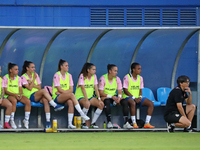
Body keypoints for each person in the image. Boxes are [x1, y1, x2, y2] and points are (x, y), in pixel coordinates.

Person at [21, 61, 65, 128]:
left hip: (37, 95)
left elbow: (39, 87)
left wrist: (31, 83)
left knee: (45, 100)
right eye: (32, 67)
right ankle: (54, 105)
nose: (34, 69)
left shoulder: (36, 75)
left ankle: (48, 122)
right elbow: (29, 88)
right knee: (44, 91)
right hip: (29, 96)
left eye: (34, 67)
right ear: (27, 68)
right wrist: (33, 80)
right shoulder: (23, 77)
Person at [52, 59, 90, 129]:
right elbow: (59, 89)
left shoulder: (69, 75)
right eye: (66, 66)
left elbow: (71, 89)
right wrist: (66, 92)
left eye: (68, 66)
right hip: (57, 96)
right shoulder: (56, 75)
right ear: (61, 67)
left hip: (64, 95)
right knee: (71, 95)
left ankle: (70, 124)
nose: (68, 67)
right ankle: (81, 113)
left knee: (70, 102)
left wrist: (63, 92)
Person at [99, 64, 133, 129]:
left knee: (125, 102)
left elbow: (120, 91)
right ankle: (109, 122)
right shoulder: (103, 78)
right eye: (115, 71)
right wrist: (112, 97)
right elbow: (101, 93)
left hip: (114, 97)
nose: (116, 72)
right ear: (110, 71)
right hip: (106, 97)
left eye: (117, 71)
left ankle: (126, 122)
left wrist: (119, 97)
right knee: (107, 101)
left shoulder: (117, 79)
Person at [123, 62, 155, 128]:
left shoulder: (140, 78)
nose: (140, 70)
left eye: (140, 69)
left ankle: (147, 123)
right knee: (133, 103)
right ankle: (134, 123)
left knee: (151, 103)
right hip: (128, 97)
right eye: (138, 69)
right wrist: (134, 98)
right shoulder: (127, 77)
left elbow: (140, 90)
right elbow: (125, 90)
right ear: (133, 70)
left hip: (137, 97)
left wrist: (140, 97)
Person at [75, 63, 104, 129]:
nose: (95, 71)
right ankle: (83, 123)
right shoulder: (82, 76)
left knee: (101, 104)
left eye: (95, 69)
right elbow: (83, 88)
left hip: (90, 97)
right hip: (80, 96)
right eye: (93, 69)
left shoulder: (94, 76)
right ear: (88, 70)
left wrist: (99, 99)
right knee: (86, 104)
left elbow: (96, 88)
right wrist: (87, 100)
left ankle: (93, 123)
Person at [3, 63, 31, 129]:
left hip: (17, 95)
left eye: (18, 69)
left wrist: (20, 95)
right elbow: (5, 91)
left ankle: (26, 120)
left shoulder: (18, 78)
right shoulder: (5, 77)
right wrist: (14, 94)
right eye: (15, 69)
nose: (17, 71)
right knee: (14, 100)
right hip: (9, 95)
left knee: (28, 101)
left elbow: (20, 89)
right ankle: (12, 120)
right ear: (10, 70)